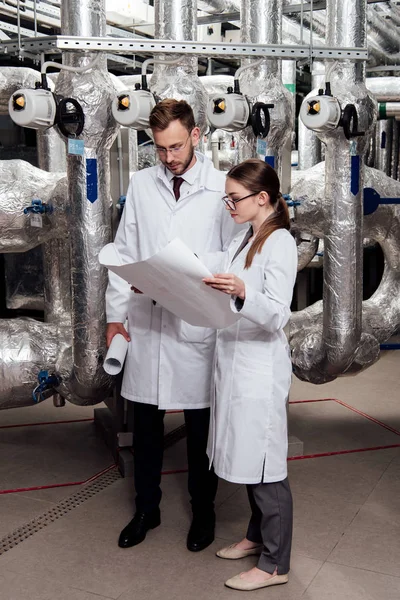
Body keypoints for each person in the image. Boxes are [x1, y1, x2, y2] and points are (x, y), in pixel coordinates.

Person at [105, 99, 238, 552]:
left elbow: (234, 253)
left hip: (196, 324)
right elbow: (124, 252)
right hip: (148, 324)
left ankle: (204, 511)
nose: (169, 158)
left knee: (202, 428)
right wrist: (114, 319)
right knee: (146, 426)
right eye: (161, 149)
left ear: (196, 136)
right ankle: (147, 509)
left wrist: (191, 272)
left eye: (177, 147)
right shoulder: (142, 184)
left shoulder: (222, 186)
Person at [203, 159, 297, 591]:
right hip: (237, 363)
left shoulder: (279, 243)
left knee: (266, 467)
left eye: (234, 197)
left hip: (260, 370)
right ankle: (257, 538)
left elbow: (277, 313)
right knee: (247, 459)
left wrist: (243, 292)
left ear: (263, 198)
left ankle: (276, 564)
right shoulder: (248, 238)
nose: (228, 205)